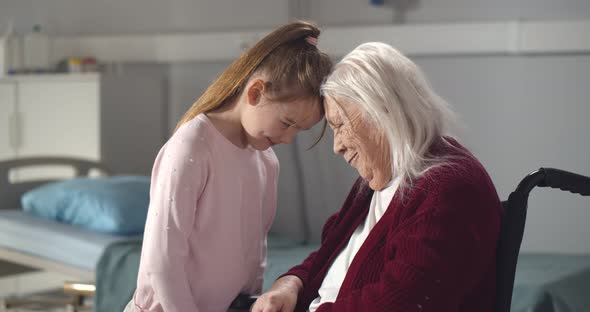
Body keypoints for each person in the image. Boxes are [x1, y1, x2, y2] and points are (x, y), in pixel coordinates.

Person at [252, 42, 502, 312]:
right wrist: (292, 282)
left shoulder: (446, 188)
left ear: (382, 111)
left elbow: (403, 301)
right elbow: (331, 254)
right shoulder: (381, 180)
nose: (337, 146)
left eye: (339, 125)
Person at [125, 21, 333, 312]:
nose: (288, 139)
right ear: (255, 93)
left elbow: (254, 254)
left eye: (298, 131)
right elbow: (162, 261)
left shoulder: (266, 162)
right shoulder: (192, 146)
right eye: (287, 123)